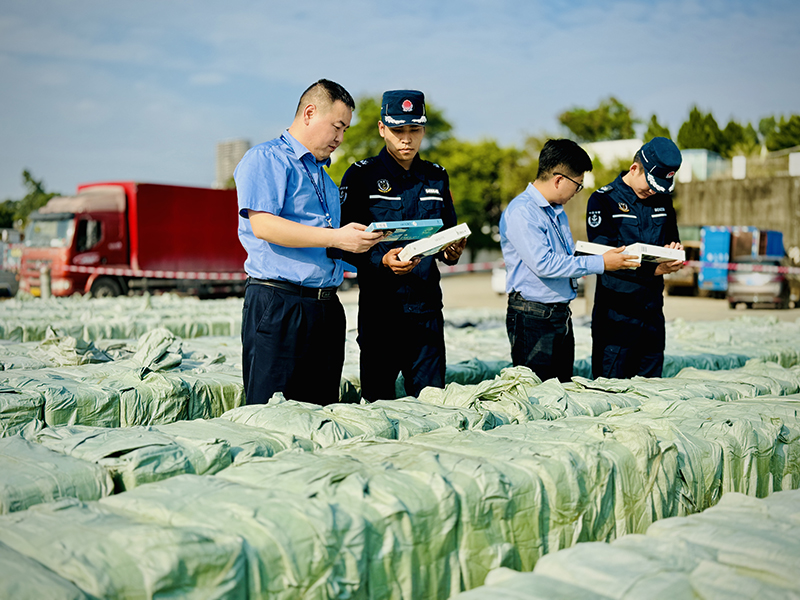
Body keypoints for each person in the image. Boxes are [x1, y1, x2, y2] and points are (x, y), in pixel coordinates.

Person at [234, 79, 384, 406]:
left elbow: (327, 243)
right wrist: (337, 237)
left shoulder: (325, 178)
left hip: (326, 308)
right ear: (309, 112)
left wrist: (374, 249)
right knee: (271, 414)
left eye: (345, 130)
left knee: (320, 413)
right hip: (279, 303)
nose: (341, 139)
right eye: (337, 127)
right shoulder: (266, 159)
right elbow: (264, 225)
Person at [340, 90, 467, 401]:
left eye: (414, 130)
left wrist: (451, 251)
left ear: (423, 130)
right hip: (381, 312)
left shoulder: (437, 177)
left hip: (426, 314)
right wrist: (381, 261)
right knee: (378, 407)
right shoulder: (361, 176)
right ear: (382, 128)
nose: (407, 139)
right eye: (398, 130)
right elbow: (342, 245)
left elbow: (446, 234)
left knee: (432, 406)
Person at [499, 139, 639, 383]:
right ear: (559, 180)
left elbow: (565, 258)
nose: (577, 192)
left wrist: (600, 256)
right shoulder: (522, 211)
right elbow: (545, 264)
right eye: (578, 185)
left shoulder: (556, 211)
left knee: (561, 391)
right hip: (533, 317)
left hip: (559, 314)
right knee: (536, 396)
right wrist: (601, 263)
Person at [586, 136, 684, 379]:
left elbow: (671, 240)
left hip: (652, 314)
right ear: (634, 168)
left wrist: (674, 255)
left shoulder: (661, 199)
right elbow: (604, 257)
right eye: (651, 184)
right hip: (616, 317)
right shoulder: (603, 200)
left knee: (651, 397)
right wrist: (654, 270)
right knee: (610, 395)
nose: (653, 191)